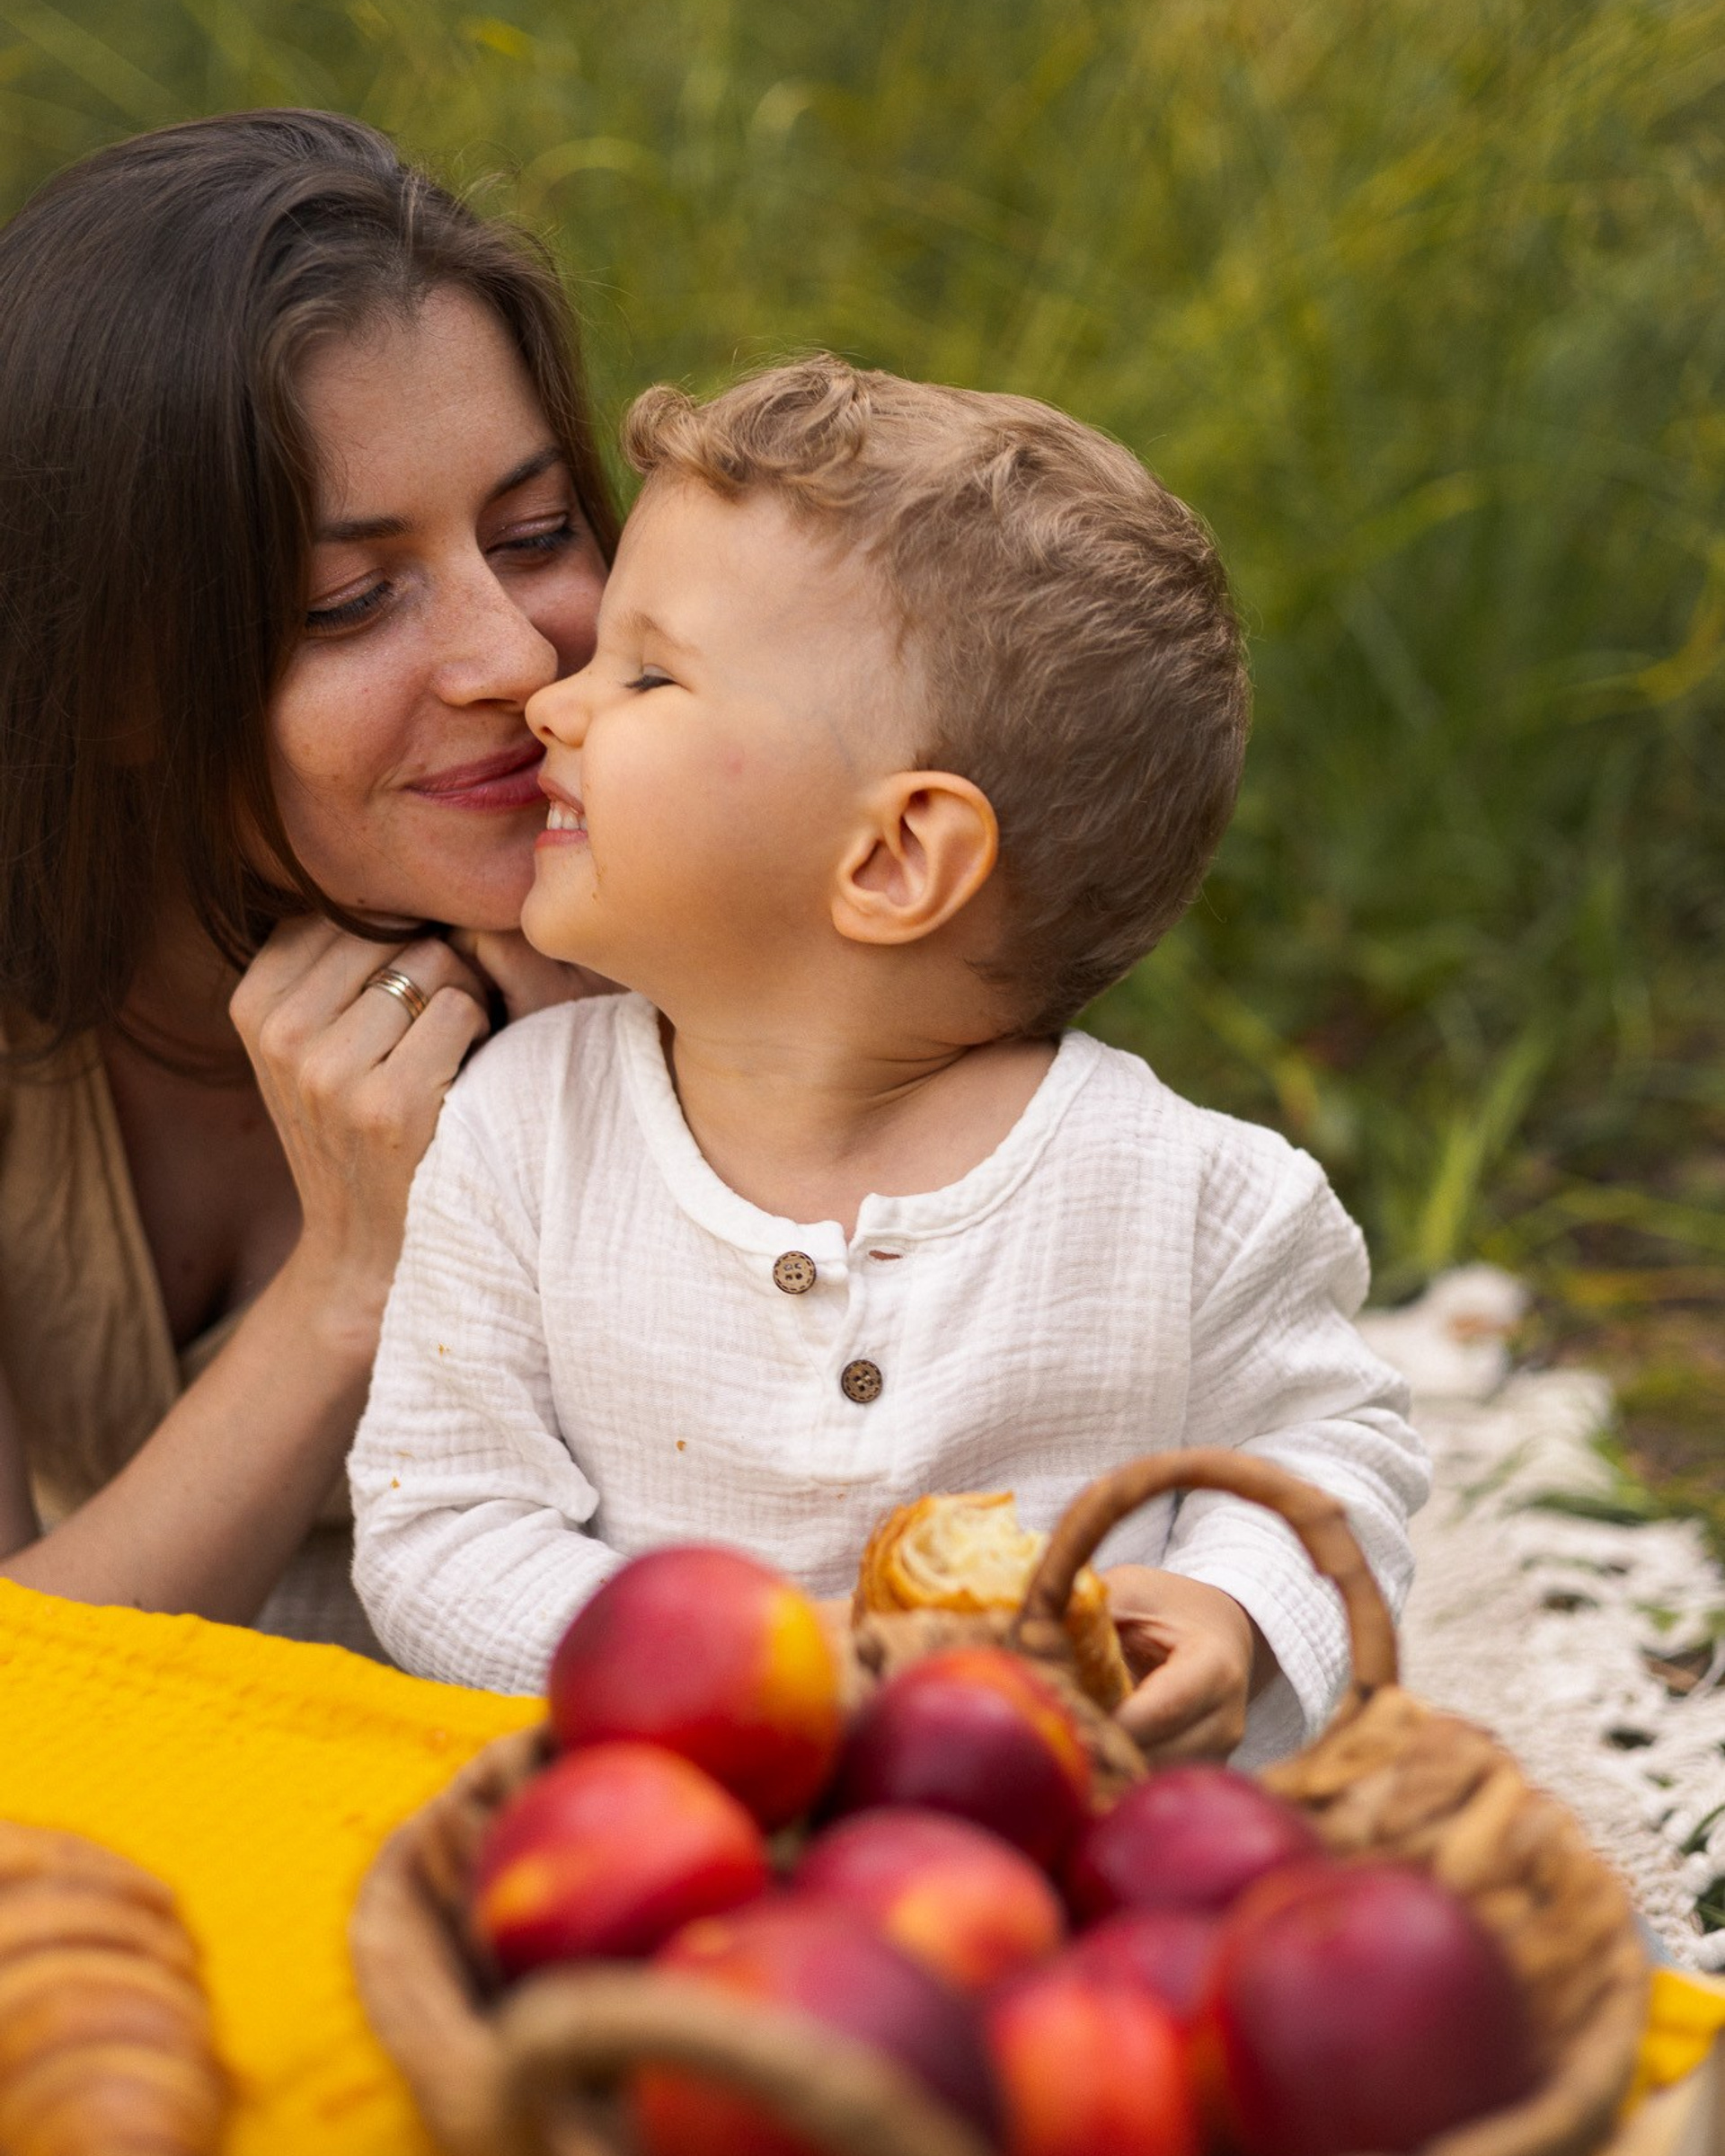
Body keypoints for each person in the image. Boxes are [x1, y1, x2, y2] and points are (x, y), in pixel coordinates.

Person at [350, 358, 1429, 1764]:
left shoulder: (1192, 1199)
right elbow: (443, 1523)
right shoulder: (522, 1135)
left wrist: (1233, 1613)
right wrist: (726, 1680)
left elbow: (1334, 1459)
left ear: (894, 855)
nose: (556, 701)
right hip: (673, 1823)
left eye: (650, 673)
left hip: (1072, 1838)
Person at [0, 110, 619, 1648]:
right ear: (122, 678)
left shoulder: (683, 917)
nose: (513, 655)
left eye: (535, 531)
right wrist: (352, 1276)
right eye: (352, 602)